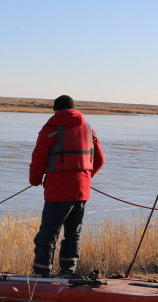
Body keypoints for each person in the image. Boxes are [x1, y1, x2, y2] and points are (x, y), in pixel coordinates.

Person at [29, 95, 105, 278]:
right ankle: (68, 272)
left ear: (56, 110)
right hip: (81, 190)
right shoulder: (89, 129)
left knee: (47, 234)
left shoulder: (51, 129)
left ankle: (41, 273)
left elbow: (38, 159)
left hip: (58, 191)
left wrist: (35, 180)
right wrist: (85, 177)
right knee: (73, 233)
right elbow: (100, 160)